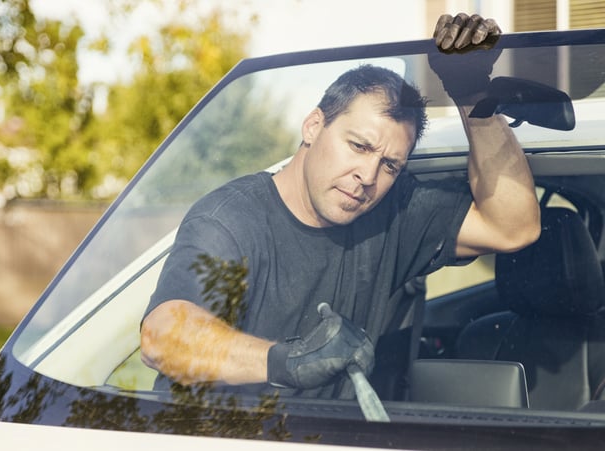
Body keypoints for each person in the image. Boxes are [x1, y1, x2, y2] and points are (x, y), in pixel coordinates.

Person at [140, 13, 540, 399]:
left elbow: (514, 225)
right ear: (314, 126)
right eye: (359, 146)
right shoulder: (230, 220)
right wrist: (288, 360)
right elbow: (162, 337)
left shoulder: (391, 213)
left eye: (389, 165)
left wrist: (474, 96)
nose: (367, 176)